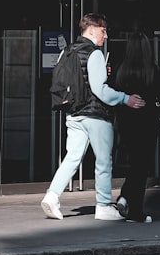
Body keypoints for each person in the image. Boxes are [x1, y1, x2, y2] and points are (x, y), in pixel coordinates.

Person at [41, 13, 146, 221]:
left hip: (73, 113)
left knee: (72, 158)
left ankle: (52, 196)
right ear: (91, 29)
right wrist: (125, 98)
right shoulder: (94, 53)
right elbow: (100, 89)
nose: (105, 36)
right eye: (103, 30)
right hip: (96, 115)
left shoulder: (67, 51)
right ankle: (104, 205)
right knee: (103, 161)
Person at [110, 32, 160, 223]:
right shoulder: (152, 71)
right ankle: (135, 210)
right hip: (147, 124)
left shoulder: (121, 70)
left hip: (126, 124)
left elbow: (112, 94)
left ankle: (125, 198)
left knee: (136, 164)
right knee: (141, 167)